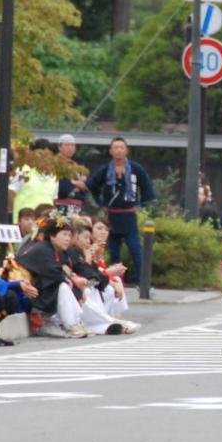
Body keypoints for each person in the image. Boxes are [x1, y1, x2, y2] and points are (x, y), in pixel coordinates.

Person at [87, 137, 156, 277]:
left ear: (126, 150)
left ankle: (141, 282)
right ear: (111, 151)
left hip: (129, 215)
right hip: (111, 215)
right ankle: (116, 281)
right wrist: (101, 203)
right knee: (114, 252)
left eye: (121, 147)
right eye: (116, 147)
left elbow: (147, 189)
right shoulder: (105, 170)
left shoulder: (136, 169)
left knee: (136, 250)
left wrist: (140, 205)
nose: (119, 150)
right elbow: (92, 186)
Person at [16, 216, 89, 338]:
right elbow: (54, 273)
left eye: (69, 235)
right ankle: (71, 324)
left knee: (71, 285)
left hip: (37, 290)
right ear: (52, 236)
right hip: (25, 293)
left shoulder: (56, 251)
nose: (68, 239)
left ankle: (75, 322)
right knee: (63, 285)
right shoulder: (43, 249)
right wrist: (69, 280)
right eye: (64, 235)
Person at [69, 223, 136, 334]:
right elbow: (82, 270)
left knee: (100, 285)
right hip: (77, 284)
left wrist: (109, 281)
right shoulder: (72, 252)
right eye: (85, 238)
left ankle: (107, 320)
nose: (88, 241)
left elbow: (94, 273)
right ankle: (107, 321)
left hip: (87, 282)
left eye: (88, 238)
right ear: (75, 237)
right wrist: (88, 260)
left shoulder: (83, 251)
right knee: (90, 289)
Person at [54, 133, 91, 215]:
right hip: (60, 204)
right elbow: (61, 186)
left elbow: (85, 186)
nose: (70, 148)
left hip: (77, 205)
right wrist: (74, 182)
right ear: (59, 147)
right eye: (67, 145)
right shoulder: (55, 163)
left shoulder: (76, 165)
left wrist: (77, 183)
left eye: (72, 145)